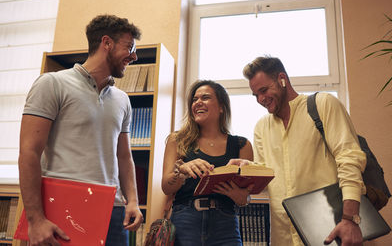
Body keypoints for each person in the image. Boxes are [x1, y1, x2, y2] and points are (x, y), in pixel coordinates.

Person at [18, 14, 144, 246]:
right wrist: (35, 219)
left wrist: (133, 201)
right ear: (106, 43)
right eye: (129, 47)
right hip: (63, 207)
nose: (134, 56)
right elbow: (29, 152)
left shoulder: (123, 100)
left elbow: (124, 156)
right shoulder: (51, 83)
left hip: (113, 210)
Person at [241, 56, 366, 246]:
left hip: (331, 229)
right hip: (283, 236)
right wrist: (245, 169)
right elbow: (267, 177)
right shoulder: (261, 127)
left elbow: (349, 159)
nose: (260, 99)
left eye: (264, 90)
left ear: (282, 79)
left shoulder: (323, 104)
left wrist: (350, 218)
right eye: (255, 95)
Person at [161, 80, 254, 246]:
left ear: (221, 107)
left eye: (205, 97)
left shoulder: (242, 145)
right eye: (194, 99)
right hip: (185, 220)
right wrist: (181, 172)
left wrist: (239, 196)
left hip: (226, 224)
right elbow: (166, 187)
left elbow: (245, 198)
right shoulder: (177, 140)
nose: (197, 103)